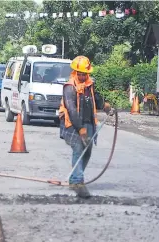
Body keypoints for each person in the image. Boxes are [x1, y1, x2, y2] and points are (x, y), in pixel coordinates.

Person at [59, 55, 114, 198]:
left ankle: (75, 178)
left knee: (87, 151)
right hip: (73, 124)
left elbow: (95, 99)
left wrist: (106, 106)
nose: (82, 76)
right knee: (78, 149)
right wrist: (80, 129)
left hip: (89, 123)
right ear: (75, 73)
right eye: (80, 74)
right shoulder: (69, 87)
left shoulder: (90, 85)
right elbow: (71, 110)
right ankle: (77, 181)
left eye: (85, 74)